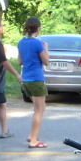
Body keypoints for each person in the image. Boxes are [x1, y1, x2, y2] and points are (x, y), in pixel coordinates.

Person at [18, 16, 50, 148]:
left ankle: (32, 135)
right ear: (38, 28)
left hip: (25, 79)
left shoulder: (21, 42)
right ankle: (34, 140)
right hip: (36, 79)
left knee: (41, 108)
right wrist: (46, 48)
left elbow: (20, 61)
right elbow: (46, 61)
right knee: (38, 110)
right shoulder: (38, 43)